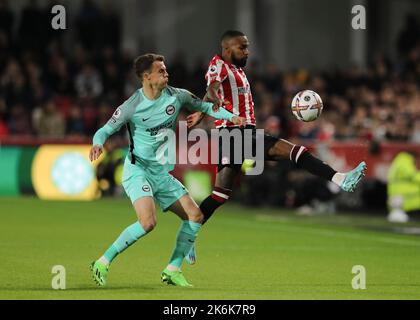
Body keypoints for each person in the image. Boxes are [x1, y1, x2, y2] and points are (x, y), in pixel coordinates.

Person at [185, 30, 367, 264]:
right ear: (228, 49)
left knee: (220, 195)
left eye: (247, 46)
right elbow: (212, 87)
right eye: (242, 47)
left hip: (235, 134)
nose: (247, 51)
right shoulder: (219, 65)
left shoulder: (235, 69)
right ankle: (340, 179)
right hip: (234, 133)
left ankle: (187, 237)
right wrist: (211, 101)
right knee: (293, 151)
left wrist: (202, 111)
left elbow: (212, 90)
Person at [89, 53, 246, 287]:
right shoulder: (132, 106)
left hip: (162, 173)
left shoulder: (178, 96)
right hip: (138, 170)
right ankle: (102, 262)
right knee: (148, 223)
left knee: (195, 216)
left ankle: (172, 269)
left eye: (166, 69)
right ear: (147, 77)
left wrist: (233, 118)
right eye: (161, 70)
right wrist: (97, 142)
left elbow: (206, 106)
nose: (166, 73)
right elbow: (104, 130)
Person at [387, 151, 420, 223]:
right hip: (401, 198)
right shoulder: (404, 160)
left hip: (398, 197)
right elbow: (412, 175)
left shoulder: (399, 161)